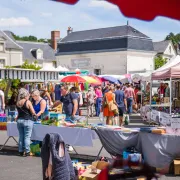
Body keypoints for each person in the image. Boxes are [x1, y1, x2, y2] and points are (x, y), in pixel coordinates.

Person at [16, 88, 36, 156]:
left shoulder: (18, 102)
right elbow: (33, 112)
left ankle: (20, 150)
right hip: (27, 120)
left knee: (21, 136)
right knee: (27, 137)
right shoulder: (28, 102)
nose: (28, 96)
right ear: (25, 95)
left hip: (19, 120)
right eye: (28, 95)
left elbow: (18, 113)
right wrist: (35, 115)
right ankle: (27, 151)